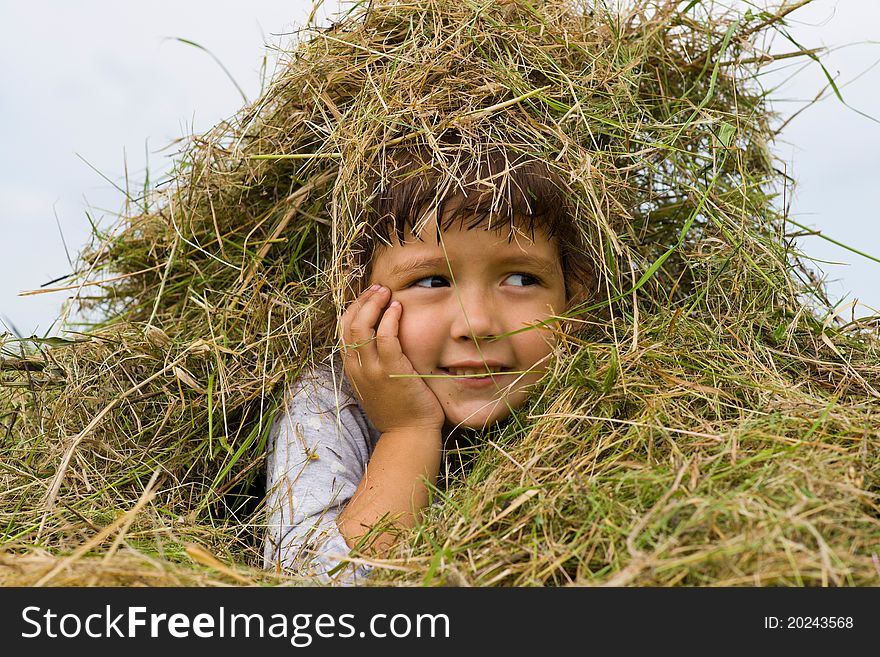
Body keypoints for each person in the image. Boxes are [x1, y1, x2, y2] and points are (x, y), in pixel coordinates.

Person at [263, 150, 594, 584]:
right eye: (433, 281)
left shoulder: (599, 402)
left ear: (575, 298)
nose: (477, 323)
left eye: (520, 279)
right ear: (358, 298)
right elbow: (312, 598)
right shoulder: (328, 403)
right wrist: (408, 432)